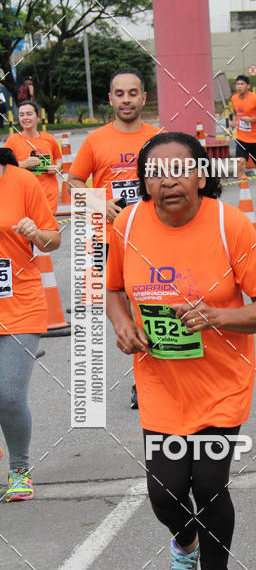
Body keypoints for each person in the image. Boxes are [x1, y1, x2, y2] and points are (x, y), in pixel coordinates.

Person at [106, 131, 256, 570]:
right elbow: (114, 290)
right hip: (161, 383)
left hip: (220, 384)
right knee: (165, 493)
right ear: (144, 183)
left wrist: (218, 316)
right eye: (155, 175)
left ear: (202, 176)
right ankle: (184, 541)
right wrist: (122, 325)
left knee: (207, 483)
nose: (167, 183)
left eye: (178, 171)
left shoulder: (232, 226)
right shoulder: (129, 224)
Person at [68, 67, 160, 410]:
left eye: (132, 93)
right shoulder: (95, 140)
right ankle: (142, 371)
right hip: (109, 240)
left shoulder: (158, 139)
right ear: (110, 99)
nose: (126, 99)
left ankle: (147, 378)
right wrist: (100, 202)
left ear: (143, 98)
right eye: (119, 94)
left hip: (151, 238)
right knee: (121, 312)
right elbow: (74, 183)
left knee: (149, 305)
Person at [0, 148, 61, 501]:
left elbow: (54, 239)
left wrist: (35, 232)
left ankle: (19, 469)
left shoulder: (22, 180)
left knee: (8, 395)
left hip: (20, 303)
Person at [4, 101, 62, 214]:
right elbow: (4, 167)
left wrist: (57, 167)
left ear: (38, 117)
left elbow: (58, 159)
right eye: (21, 115)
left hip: (48, 195)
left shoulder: (49, 138)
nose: (25, 118)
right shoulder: (12, 141)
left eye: (29, 114)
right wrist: (24, 164)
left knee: (48, 230)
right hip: (24, 196)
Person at [230, 75, 256, 177]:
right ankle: (243, 191)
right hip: (241, 138)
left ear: (248, 86)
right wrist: (234, 121)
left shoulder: (255, 99)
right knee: (240, 163)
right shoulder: (234, 98)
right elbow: (236, 112)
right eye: (237, 84)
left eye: (242, 84)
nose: (239, 86)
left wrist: (252, 119)